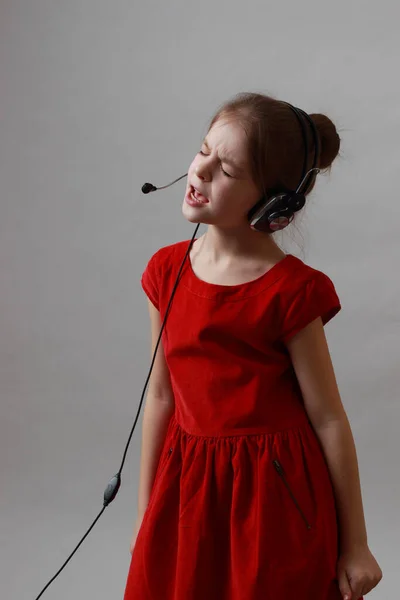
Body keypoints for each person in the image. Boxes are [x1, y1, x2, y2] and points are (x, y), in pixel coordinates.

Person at [123, 92, 383, 599]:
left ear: (274, 204)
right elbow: (161, 397)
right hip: (189, 485)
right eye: (203, 151)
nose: (201, 172)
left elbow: (328, 416)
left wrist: (357, 545)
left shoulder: (291, 291)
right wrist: (144, 517)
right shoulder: (165, 271)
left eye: (228, 171)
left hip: (273, 496)